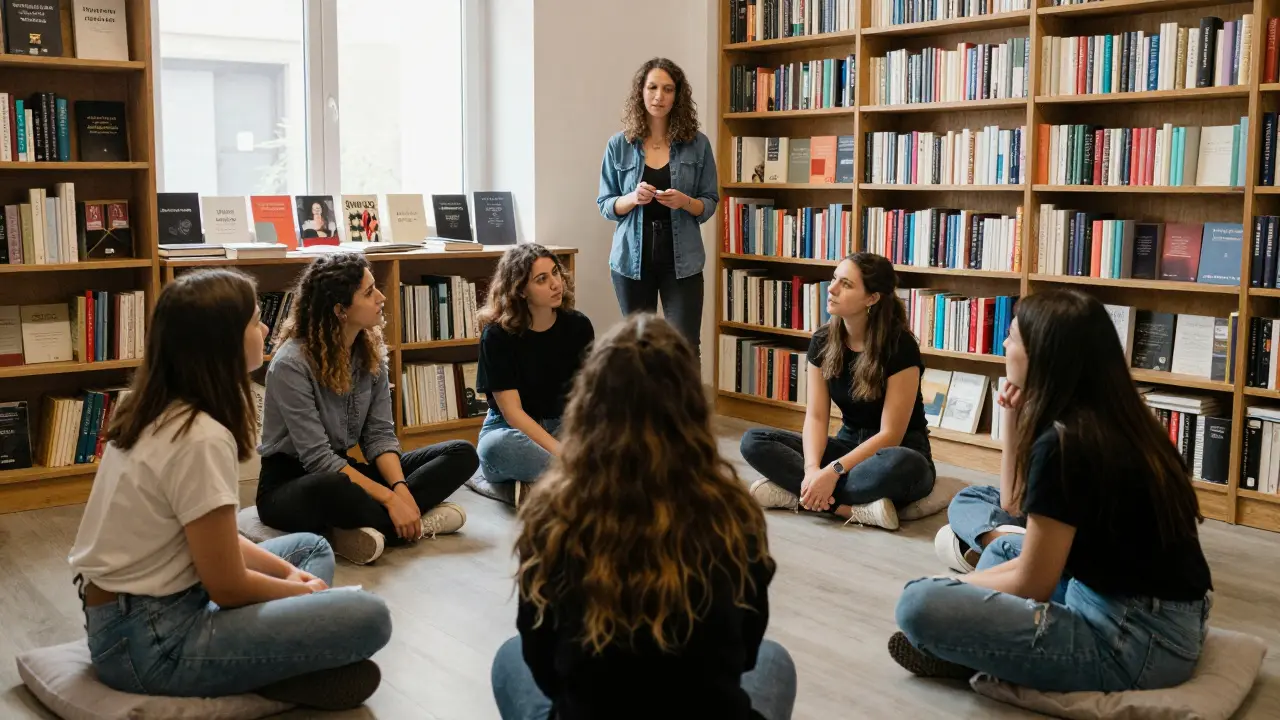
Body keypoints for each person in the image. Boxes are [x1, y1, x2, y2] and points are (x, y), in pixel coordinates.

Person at [68, 269, 391, 709]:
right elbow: (228, 586)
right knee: (370, 617)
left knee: (309, 551)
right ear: (221, 342)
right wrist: (303, 594)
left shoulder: (155, 407)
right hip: (149, 642)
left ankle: (265, 660)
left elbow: (210, 541)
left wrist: (292, 578)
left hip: (128, 617)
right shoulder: (199, 436)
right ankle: (269, 668)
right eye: (256, 320)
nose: (265, 330)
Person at [890, 289, 1214, 693]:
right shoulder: (1119, 417)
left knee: (917, 603)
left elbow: (1033, 583)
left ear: (1043, 354)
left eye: (1012, 336)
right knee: (1002, 549)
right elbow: (1013, 502)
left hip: (1133, 643)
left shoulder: (1066, 442)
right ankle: (982, 645)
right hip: (1162, 617)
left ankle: (979, 648)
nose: (1004, 344)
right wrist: (1010, 415)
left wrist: (945, 590)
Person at [491, 315, 796, 720]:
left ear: (589, 403)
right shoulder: (732, 510)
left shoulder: (553, 512)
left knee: (508, 658)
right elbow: (745, 652)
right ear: (689, 406)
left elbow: (544, 665)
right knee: (776, 660)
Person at [256, 253, 478, 565]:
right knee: (334, 486)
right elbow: (318, 459)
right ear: (340, 310)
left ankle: (382, 525)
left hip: (345, 470)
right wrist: (388, 497)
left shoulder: (371, 352)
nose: (382, 297)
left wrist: (400, 489)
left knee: (462, 453)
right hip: (292, 484)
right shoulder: (291, 364)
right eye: (369, 292)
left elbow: (379, 437)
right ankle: (414, 523)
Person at [739, 253, 936, 531]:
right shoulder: (822, 341)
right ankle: (841, 506)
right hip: (846, 446)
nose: (831, 289)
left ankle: (798, 495)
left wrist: (832, 471)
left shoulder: (900, 346)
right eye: (834, 279)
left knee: (904, 464)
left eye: (846, 284)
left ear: (872, 299)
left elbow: (890, 435)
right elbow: (817, 417)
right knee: (753, 440)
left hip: (895, 451)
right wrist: (811, 471)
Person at [597, 57, 719, 355]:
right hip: (631, 260)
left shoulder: (697, 144)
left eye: (667, 89)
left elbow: (709, 202)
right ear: (641, 91)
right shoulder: (619, 144)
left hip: (683, 260)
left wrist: (685, 202)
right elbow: (605, 204)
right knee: (639, 346)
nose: (658, 96)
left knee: (685, 345)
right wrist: (632, 198)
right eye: (652, 87)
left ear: (677, 96)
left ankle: (685, 404)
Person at [475, 244, 594, 502]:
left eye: (555, 273)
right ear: (520, 291)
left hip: (564, 424)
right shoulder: (496, 336)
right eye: (542, 279)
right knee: (495, 450)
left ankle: (529, 489)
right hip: (511, 430)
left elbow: (587, 397)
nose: (555, 284)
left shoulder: (578, 326)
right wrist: (564, 455)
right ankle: (584, 481)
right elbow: (514, 414)